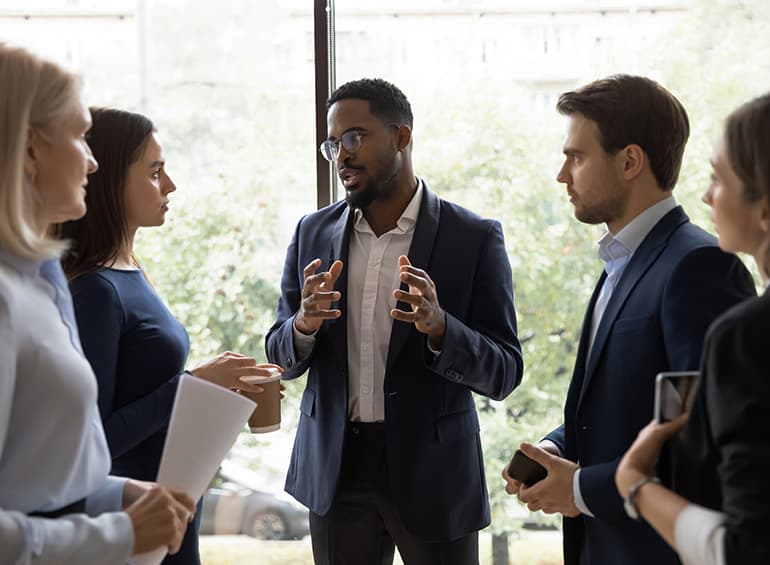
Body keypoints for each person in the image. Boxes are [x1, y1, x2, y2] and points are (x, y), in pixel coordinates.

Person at [266, 78, 522, 565]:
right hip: (336, 474)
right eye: (332, 143)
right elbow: (280, 355)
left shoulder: (472, 238)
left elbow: (506, 370)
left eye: (355, 137)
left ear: (402, 137)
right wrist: (303, 324)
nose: (341, 154)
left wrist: (441, 327)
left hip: (435, 476)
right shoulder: (312, 232)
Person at [501, 74, 755, 565]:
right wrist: (557, 447)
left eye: (575, 156)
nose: (562, 174)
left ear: (630, 161)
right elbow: (624, 405)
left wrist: (578, 489)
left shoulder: (699, 265)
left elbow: (698, 439)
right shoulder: (620, 264)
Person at [52, 107, 281, 565]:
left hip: (170, 505)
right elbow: (94, 442)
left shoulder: (131, 272)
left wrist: (209, 396)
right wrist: (193, 385)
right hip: (135, 522)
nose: (170, 185)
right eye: (155, 172)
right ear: (111, 180)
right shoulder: (96, 291)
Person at [0, 43, 195, 564]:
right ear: (28, 151)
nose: (91, 160)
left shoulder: (44, 281)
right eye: (79, 135)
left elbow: (39, 478)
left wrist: (115, 495)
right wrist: (118, 533)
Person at [616, 93, 770, 565]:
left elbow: (746, 548)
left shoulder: (747, 337)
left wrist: (635, 484)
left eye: (717, 178)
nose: (705, 195)